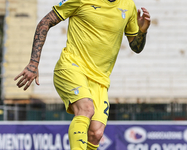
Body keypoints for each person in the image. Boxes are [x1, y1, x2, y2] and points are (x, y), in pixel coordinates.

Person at [14, 0, 150, 149]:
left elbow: (136, 47)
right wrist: (34, 63)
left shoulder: (128, 5)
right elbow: (45, 22)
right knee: (86, 109)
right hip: (71, 67)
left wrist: (142, 31)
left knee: (96, 133)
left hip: (100, 79)